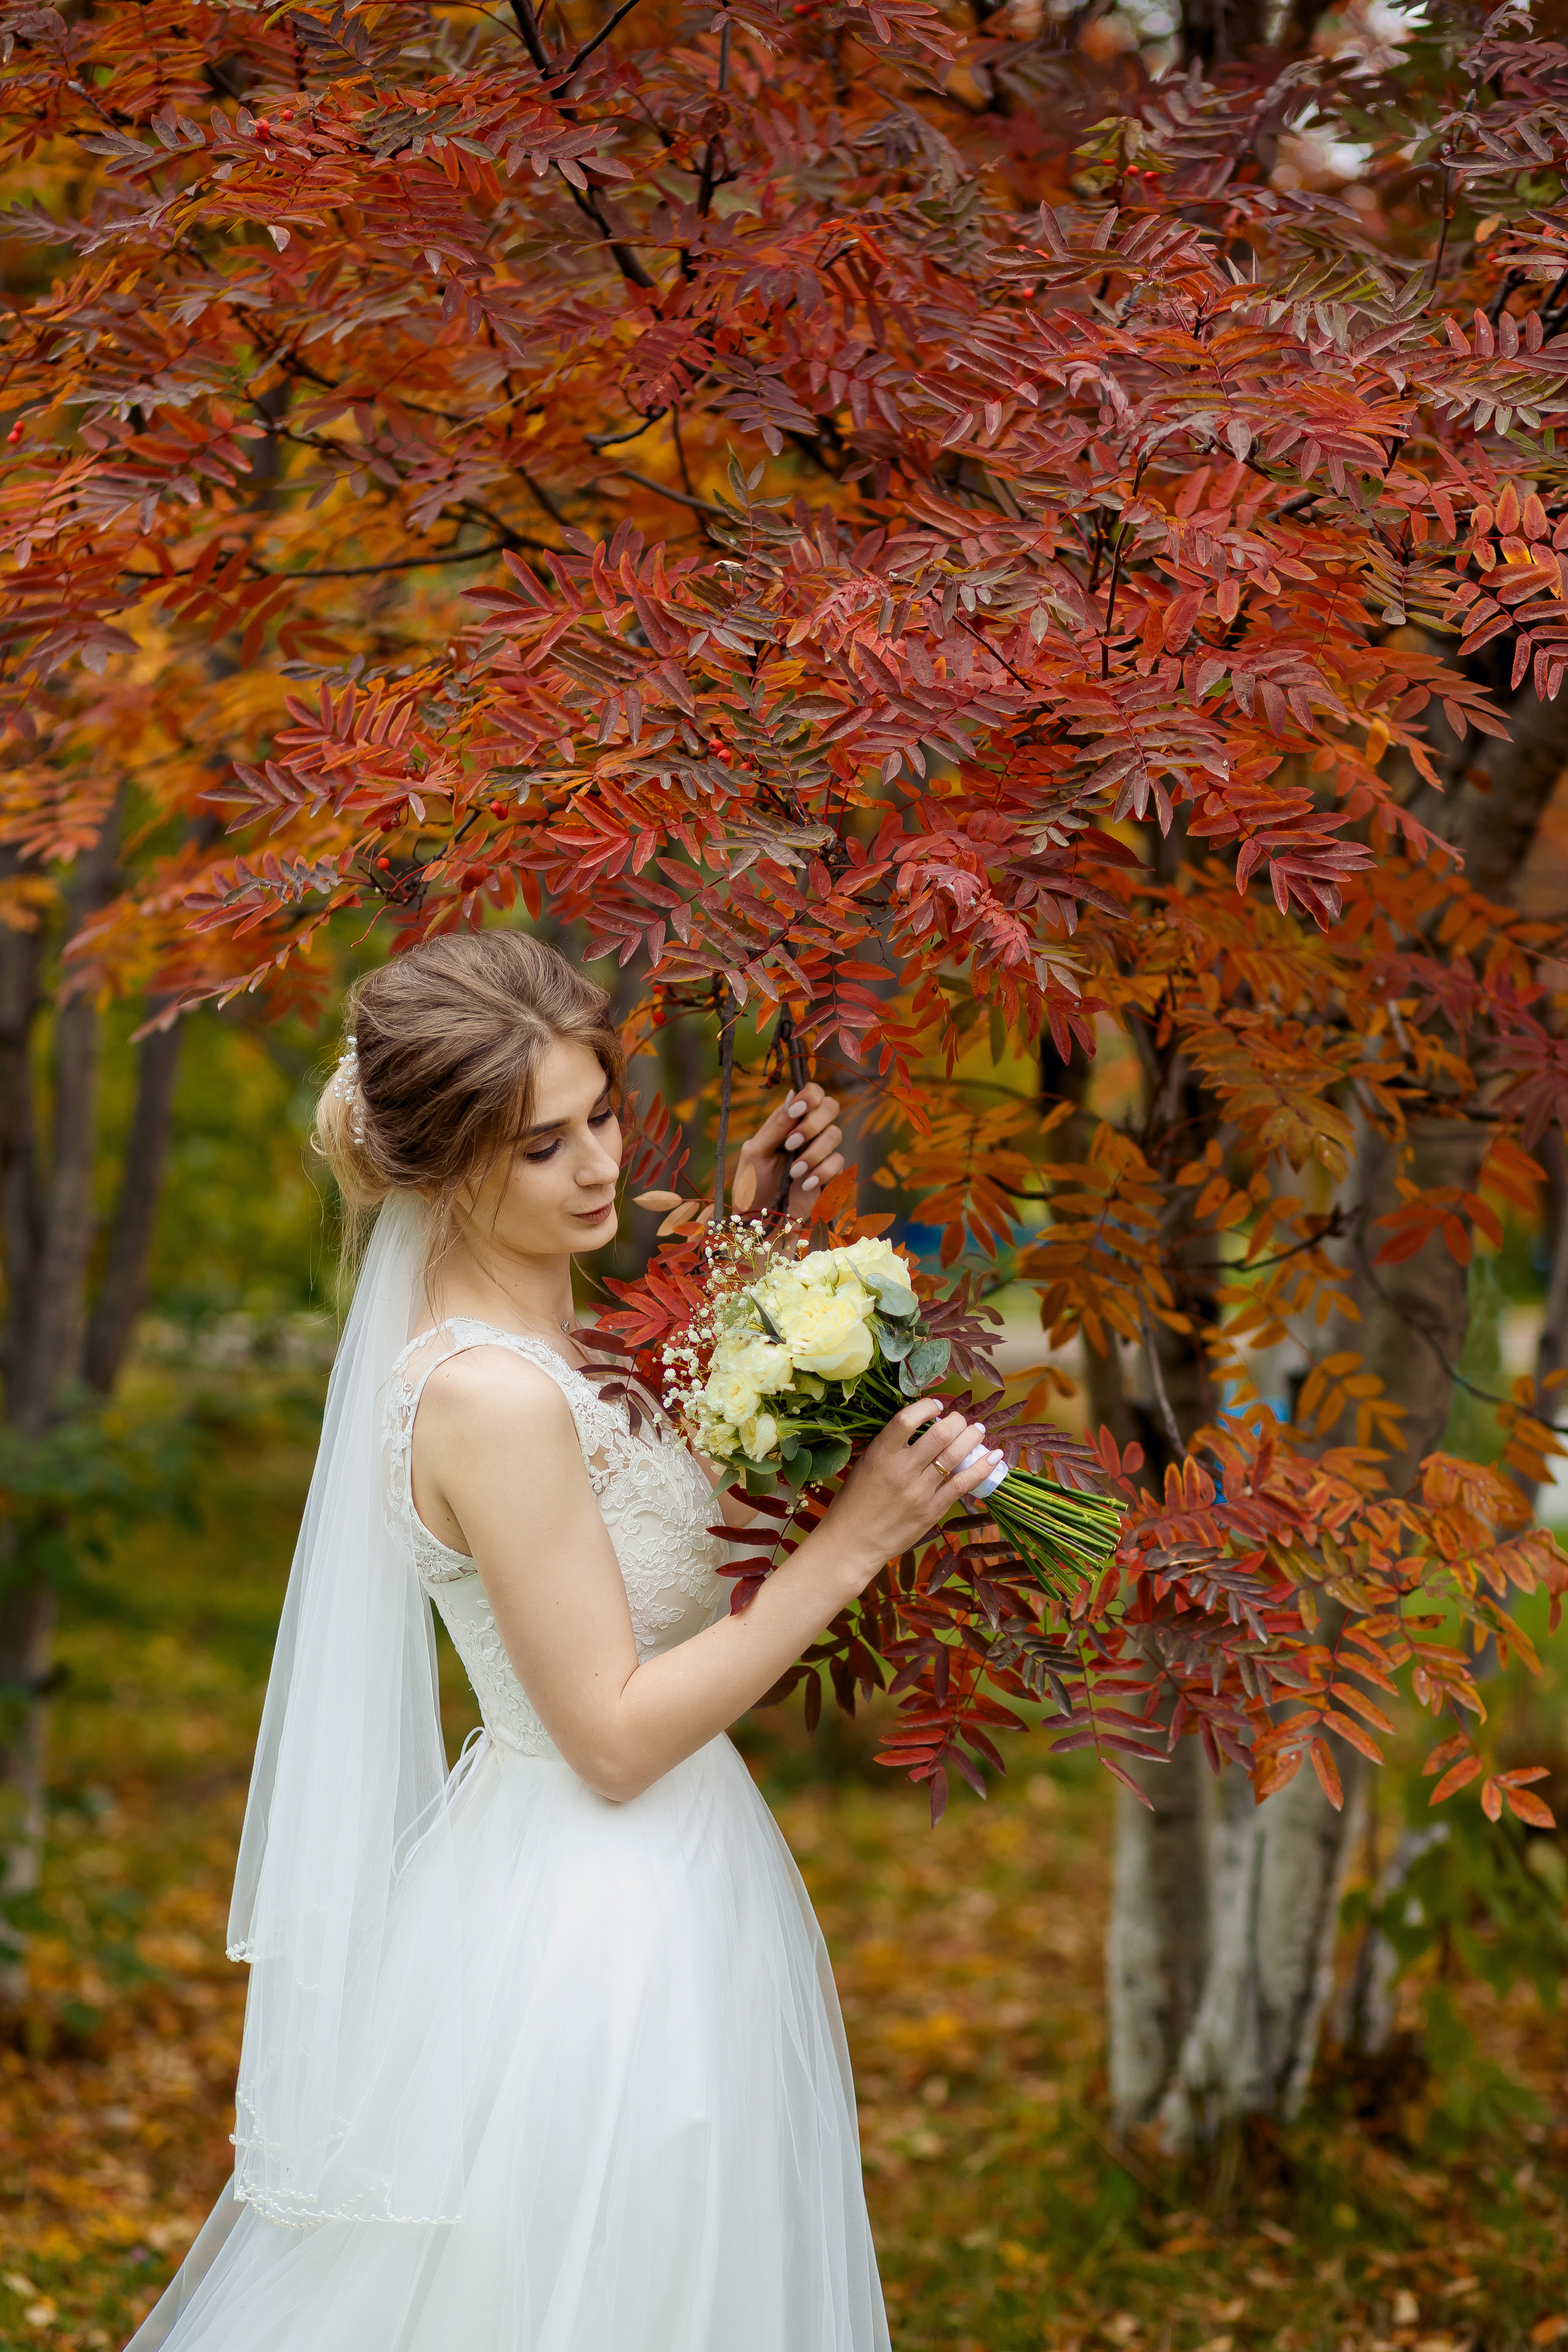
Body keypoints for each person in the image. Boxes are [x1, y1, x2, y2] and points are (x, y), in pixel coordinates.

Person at [129, 931, 1003, 2352]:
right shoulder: (487, 1398)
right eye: (543, 1147)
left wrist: (749, 1246)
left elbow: (664, 1537)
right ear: (445, 1165)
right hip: (592, 1920)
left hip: (663, 1877)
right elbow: (608, 1735)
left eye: (599, 1112)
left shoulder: (548, 1341)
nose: (598, 1165)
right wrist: (855, 1540)